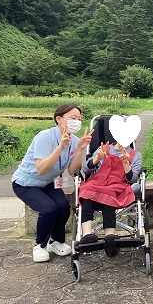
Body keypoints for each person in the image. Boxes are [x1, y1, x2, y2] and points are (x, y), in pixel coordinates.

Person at [11, 103, 93, 263]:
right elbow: (41, 168)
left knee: (63, 207)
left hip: (51, 181)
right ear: (59, 119)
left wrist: (79, 150)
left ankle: (56, 242)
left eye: (79, 119)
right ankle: (40, 245)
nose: (77, 122)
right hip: (26, 183)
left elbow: (72, 171)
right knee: (49, 209)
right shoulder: (44, 137)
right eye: (73, 118)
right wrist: (61, 146)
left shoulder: (75, 140)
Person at [78, 141, 142, 256]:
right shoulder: (103, 148)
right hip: (97, 184)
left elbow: (133, 180)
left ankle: (110, 237)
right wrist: (97, 158)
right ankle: (87, 235)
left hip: (117, 186)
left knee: (109, 193)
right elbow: (85, 169)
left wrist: (126, 164)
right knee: (86, 189)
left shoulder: (135, 155)